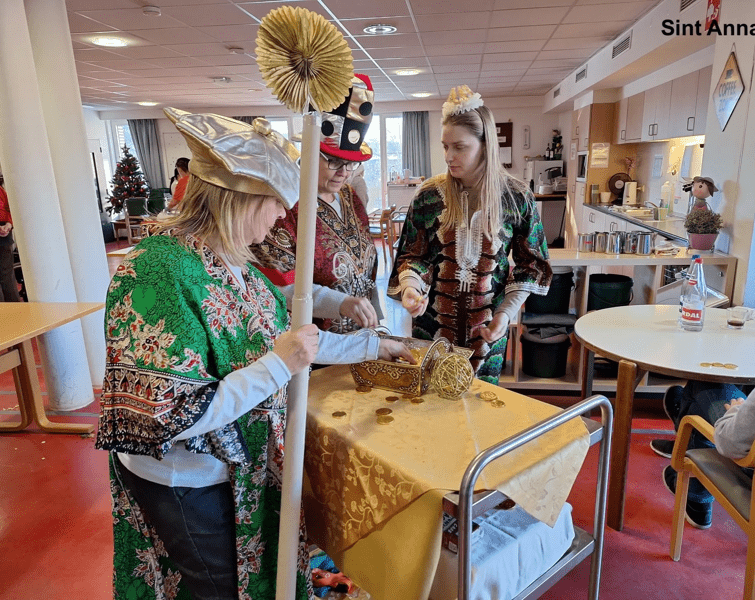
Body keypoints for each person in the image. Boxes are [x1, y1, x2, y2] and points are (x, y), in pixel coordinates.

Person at [96, 107, 413, 600]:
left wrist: (375, 345)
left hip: (230, 469)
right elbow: (167, 415)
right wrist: (277, 365)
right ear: (241, 201)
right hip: (185, 480)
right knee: (216, 587)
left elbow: (294, 338)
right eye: (275, 205)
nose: (279, 220)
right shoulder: (157, 270)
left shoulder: (229, 258)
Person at [387, 85, 552, 384]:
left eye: (459, 147)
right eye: (445, 146)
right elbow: (414, 254)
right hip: (432, 331)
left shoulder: (517, 197)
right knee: (430, 401)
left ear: (485, 144)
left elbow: (532, 264)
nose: (449, 156)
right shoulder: (428, 196)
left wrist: (505, 313)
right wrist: (411, 286)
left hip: (487, 333)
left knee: (482, 405)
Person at [252, 74, 382, 334]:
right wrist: (339, 303)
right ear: (309, 151)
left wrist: (375, 318)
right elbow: (274, 285)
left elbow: (364, 270)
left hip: (360, 335)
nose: (344, 172)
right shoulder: (285, 206)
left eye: (351, 164)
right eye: (333, 161)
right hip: (312, 340)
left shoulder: (350, 198)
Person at [657, 308, 755, 529]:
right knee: (749, 387)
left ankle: (696, 491)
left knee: (707, 382)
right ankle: (684, 440)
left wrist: (736, 411)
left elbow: (731, 442)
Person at [0, 177, 20, 302]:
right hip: (4, 232)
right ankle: (15, 312)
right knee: (7, 278)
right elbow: (10, 207)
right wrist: (9, 224)